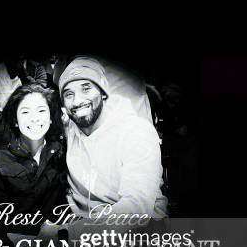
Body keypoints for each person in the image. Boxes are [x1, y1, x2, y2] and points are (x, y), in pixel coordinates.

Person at [57, 56, 167, 227]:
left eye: (86, 89)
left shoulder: (136, 131)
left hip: (138, 235)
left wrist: (67, 234)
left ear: (103, 93)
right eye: (69, 94)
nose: (77, 101)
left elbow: (136, 207)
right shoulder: (68, 127)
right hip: (80, 230)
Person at [0, 83, 68, 247]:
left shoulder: (62, 152)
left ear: (50, 118)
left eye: (41, 110)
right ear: (15, 120)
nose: (35, 118)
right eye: (26, 112)